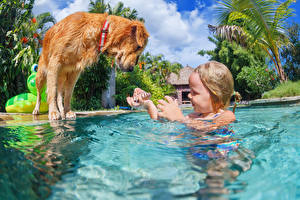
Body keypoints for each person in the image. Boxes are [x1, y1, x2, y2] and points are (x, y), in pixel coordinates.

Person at [126, 60, 241, 131]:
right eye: (190, 91)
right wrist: (148, 105)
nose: (190, 96)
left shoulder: (227, 116)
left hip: (218, 159)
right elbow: (159, 122)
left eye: (195, 92)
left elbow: (209, 128)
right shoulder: (192, 116)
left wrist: (179, 118)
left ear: (217, 96)